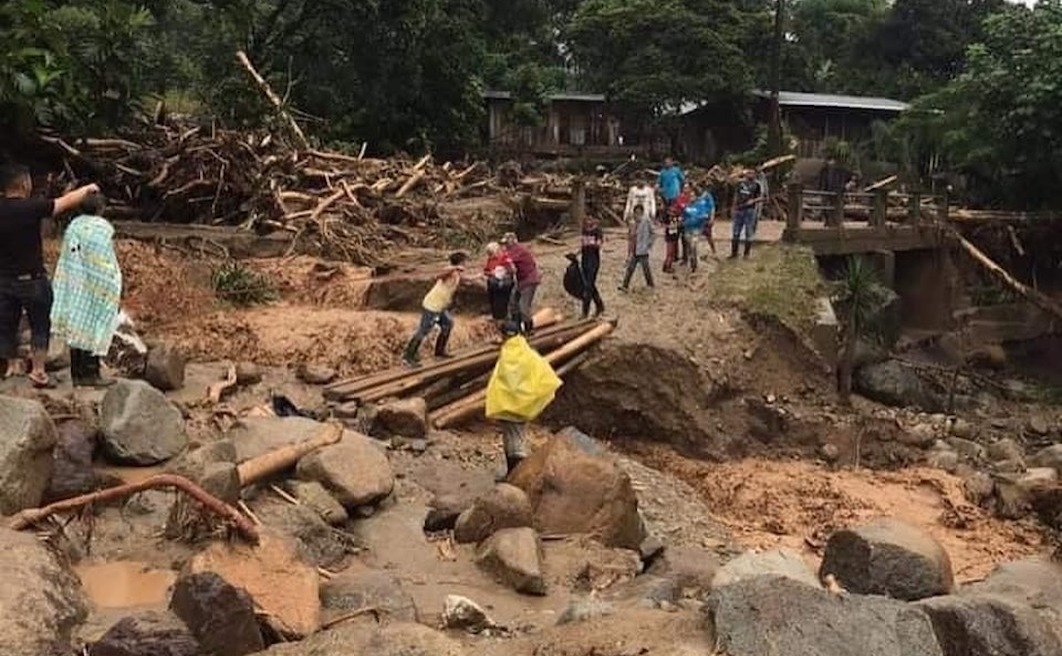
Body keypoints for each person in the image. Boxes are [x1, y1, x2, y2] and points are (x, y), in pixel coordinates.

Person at [0, 163, 100, 388]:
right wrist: (87, 189)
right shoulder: (31, 208)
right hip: (32, 278)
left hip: (4, 280)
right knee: (40, 323)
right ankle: (38, 371)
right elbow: (64, 203)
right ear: (24, 184)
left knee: (5, 325)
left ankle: (9, 367)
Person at [50, 194, 121, 388]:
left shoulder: (73, 226)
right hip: (98, 285)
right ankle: (92, 373)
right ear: (101, 209)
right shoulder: (103, 228)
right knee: (96, 326)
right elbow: (104, 259)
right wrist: (113, 281)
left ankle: (77, 374)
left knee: (77, 325)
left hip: (75, 284)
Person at [402, 252, 468, 366]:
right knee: (423, 330)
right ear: (461, 262)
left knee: (448, 324)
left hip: (440, 306)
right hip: (432, 305)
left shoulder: (456, 273)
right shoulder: (449, 269)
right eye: (464, 261)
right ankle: (408, 357)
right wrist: (455, 267)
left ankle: (439, 351)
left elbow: (462, 281)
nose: (465, 263)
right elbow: (439, 276)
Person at [501, 233, 541, 334]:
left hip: (529, 280)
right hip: (521, 281)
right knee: (513, 305)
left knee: (523, 306)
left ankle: (529, 329)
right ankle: (517, 328)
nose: (505, 245)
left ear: (513, 240)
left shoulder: (518, 250)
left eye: (507, 243)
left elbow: (507, 261)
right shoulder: (511, 250)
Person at [619, 204, 655, 291]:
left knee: (646, 269)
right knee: (630, 268)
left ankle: (650, 284)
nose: (636, 215)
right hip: (635, 249)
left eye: (638, 213)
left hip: (643, 249)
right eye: (635, 213)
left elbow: (652, 233)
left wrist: (649, 243)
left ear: (642, 213)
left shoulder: (646, 221)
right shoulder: (633, 223)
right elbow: (630, 237)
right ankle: (625, 285)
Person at [730, 169, 763, 260]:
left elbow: (761, 197)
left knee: (749, 232)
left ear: (755, 175)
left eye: (752, 173)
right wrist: (733, 207)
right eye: (748, 172)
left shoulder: (757, 185)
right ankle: (734, 253)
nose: (750, 174)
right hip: (739, 210)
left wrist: (753, 200)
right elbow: (736, 195)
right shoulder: (740, 183)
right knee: (736, 232)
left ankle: (746, 254)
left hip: (750, 211)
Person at [681, 190, 715, 272]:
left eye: (693, 196)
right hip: (687, 229)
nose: (691, 198)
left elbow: (704, 215)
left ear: (696, 197)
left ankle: (694, 264)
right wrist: (683, 221)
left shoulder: (700, 205)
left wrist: (703, 217)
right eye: (690, 196)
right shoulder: (686, 207)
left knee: (694, 245)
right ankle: (691, 259)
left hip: (696, 229)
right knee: (689, 246)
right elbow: (683, 217)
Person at [482, 242, 515, 325]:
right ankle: (495, 316)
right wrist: (491, 273)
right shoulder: (490, 260)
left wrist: (501, 273)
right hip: (494, 282)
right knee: (493, 299)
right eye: (489, 254)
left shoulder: (505, 258)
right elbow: (486, 270)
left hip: (504, 282)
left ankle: (504, 318)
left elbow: (511, 271)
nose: (490, 256)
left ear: (496, 251)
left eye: (491, 253)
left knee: (502, 300)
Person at [579, 216, 605, 318]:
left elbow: (599, 244)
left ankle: (585, 312)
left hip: (593, 261)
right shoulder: (584, 230)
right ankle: (600, 305)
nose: (588, 221)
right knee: (589, 284)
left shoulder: (598, 231)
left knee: (588, 287)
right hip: (584, 260)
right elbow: (582, 246)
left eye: (590, 219)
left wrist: (590, 243)